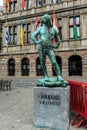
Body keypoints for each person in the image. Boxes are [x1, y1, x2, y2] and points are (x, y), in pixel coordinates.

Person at [31, 14, 64, 82]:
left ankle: (59, 75)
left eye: (45, 19)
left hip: (50, 47)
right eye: (44, 19)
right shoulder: (40, 28)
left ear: (48, 19)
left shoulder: (53, 30)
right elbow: (32, 36)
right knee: (42, 63)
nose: (44, 20)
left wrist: (56, 45)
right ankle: (46, 76)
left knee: (54, 62)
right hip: (41, 47)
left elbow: (58, 39)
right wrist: (36, 42)